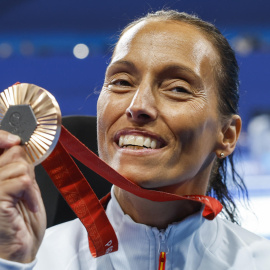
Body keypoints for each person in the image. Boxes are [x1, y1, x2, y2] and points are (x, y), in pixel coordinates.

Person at [0, 9, 270, 270]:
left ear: (227, 135)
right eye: (121, 82)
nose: (137, 105)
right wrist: (11, 260)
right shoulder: (33, 260)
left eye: (177, 88)